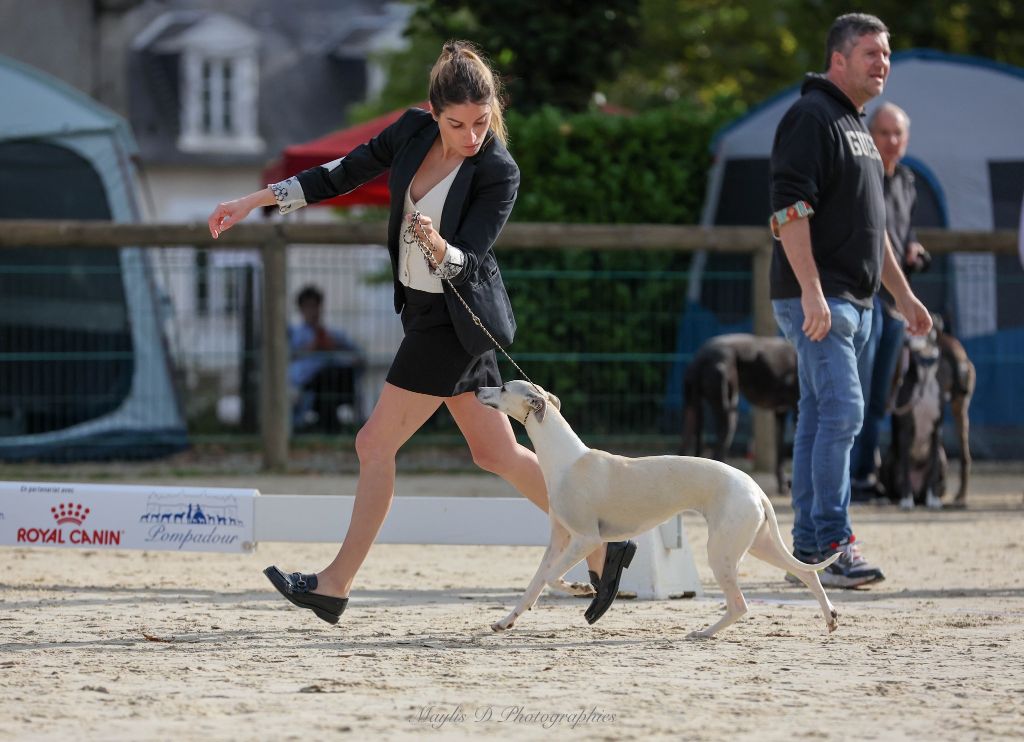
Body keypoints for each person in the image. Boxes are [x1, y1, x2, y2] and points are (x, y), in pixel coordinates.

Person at [207, 41, 634, 625]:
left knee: (372, 445)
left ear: (492, 110)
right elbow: (341, 174)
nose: (471, 135)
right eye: (457, 124)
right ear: (433, 113)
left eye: (482, 122)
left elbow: (474, 257)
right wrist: (254, 200)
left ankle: (334, 585)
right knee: (497, 452)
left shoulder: (497, 170)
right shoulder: (409, 131)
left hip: (448, 324)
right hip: (431, 315)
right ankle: (608, 546)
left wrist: (440, 248)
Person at [769, 14, 932, 588]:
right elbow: (788, 210)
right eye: (871, 53)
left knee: (821, 415)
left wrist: (904, 297)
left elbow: (876, 229)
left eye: (886, 54)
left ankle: (810, 551)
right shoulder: (812, 116)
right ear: (838, 59)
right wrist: (811, 292)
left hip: (857, 303)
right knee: (843, 413)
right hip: (822, 301)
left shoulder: (856, 125)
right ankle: (833, 545)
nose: (882, 63)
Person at [850, 102, 931, 501]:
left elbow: (904, 233)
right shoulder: (864, 177)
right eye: (883, 133)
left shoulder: (908, 181)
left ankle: (867, 475)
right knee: (856, 395)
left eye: (897, 134)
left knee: (880, 397)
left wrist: (912, 248)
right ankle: (850, 478)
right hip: (864, 297)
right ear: (870, 136)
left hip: (897, 304)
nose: (891, 141)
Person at [288, 284, 365, 433]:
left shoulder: (332, 335)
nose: (313, 311)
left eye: (315, 306)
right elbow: (287, 359)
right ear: (301, 309)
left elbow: (359, 356)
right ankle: (329, 424)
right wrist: (309, 349)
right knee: (324, 378)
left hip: (335, 379)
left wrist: (335, 348)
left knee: (334, 374)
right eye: (308, 307)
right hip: (308, 383)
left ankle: (329, 424)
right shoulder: (295, 334)